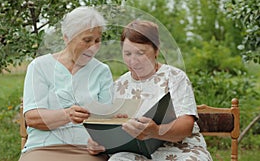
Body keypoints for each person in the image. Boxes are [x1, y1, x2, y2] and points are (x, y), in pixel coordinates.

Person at [87, 20, 213, 161]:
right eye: (127, 54)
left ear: (156, 50)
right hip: (137, 153)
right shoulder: (119, 85)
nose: (133, 61)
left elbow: (186, 126)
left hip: (181, 150)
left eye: (140, 53)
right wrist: (99, 143)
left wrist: (156, 131)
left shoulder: (175, 78)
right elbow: (109, 128)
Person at [19, 6, 113, 161]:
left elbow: (106, 121)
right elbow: (32, 118)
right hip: (43, 147)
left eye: (97, 40)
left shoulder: (101, 71)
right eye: (87, 40)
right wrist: (67, 115)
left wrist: (103, 139)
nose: (94, 47)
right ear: (67, 37)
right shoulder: (39, 67)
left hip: (87, 150)